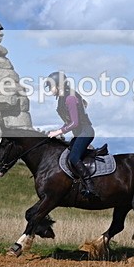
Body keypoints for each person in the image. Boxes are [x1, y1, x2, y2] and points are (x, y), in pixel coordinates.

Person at [44, 71, 99, 199]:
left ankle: (91, 186)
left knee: (74, 157)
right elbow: (69, 123)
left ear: (59, 85)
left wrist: (58, 132)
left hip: (86, 132)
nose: (50, 90)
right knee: (66, 154)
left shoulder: (70, 98)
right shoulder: (62, 99)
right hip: (79, 133)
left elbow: (75, 123)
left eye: (51, 86)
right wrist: (57, 131)